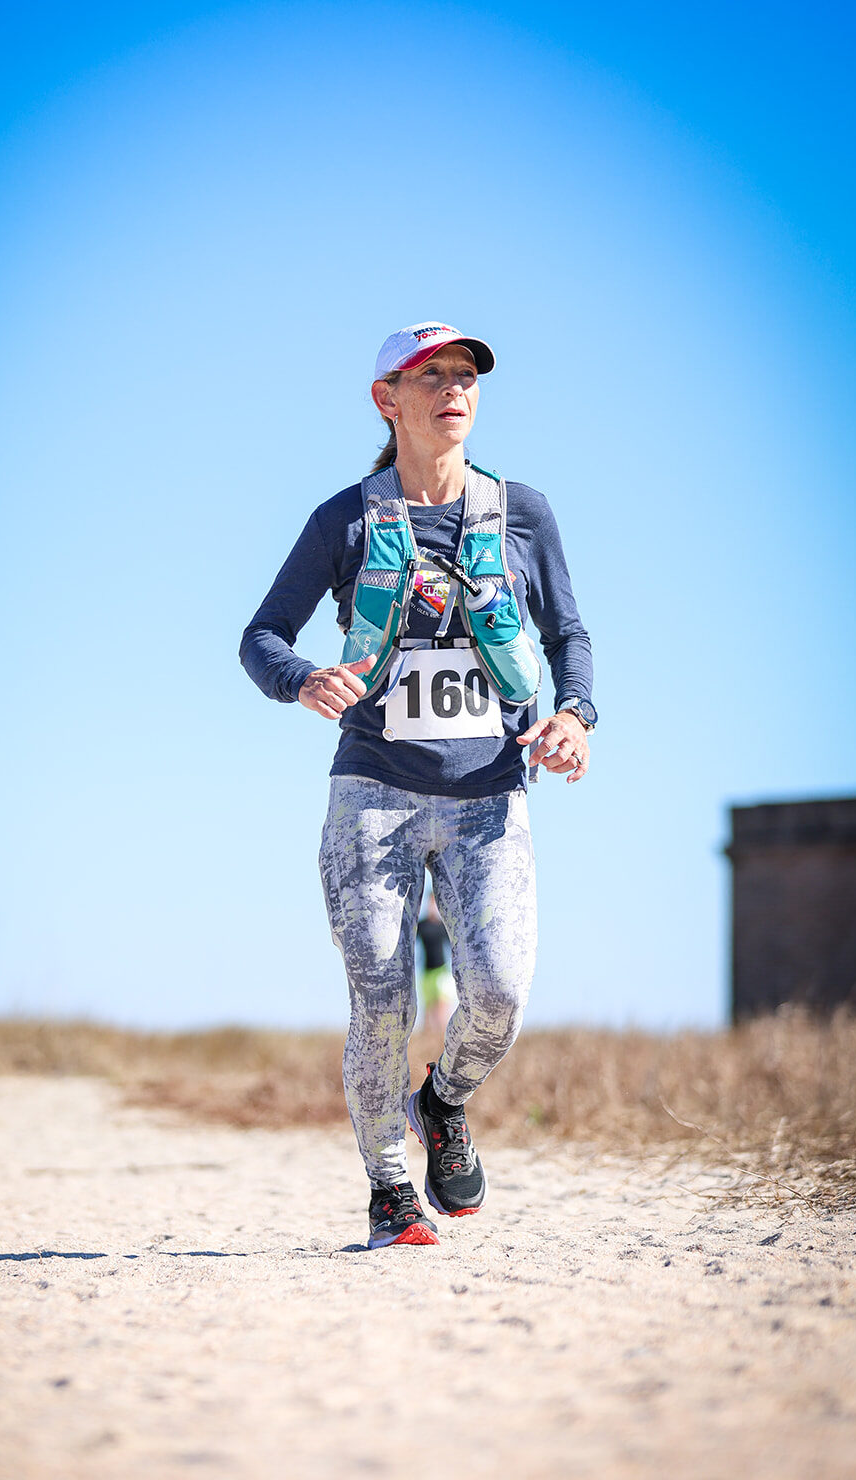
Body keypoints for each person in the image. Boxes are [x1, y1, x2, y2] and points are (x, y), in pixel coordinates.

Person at [240, 321, 595, 1248]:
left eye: (465, 375)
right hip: (373, 794)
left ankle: (441, 1101)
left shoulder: (522, 513)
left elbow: (566, 635)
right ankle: (389, 1190)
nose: (453, 389)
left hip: (490, 797)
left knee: (500, 995)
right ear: (385, 400)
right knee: (381, 1000)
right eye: (430, 375)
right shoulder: (345, 520)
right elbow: (261, 636)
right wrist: (300, 678)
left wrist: (573, 715)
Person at [417, 888, 455, 1035]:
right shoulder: (421, 926)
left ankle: (443, 1038)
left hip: (442, 971)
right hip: (427, 972)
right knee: (428, 1009)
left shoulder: (442, 926)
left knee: (441, 1009)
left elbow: (453, 946)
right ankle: (428, 1040)